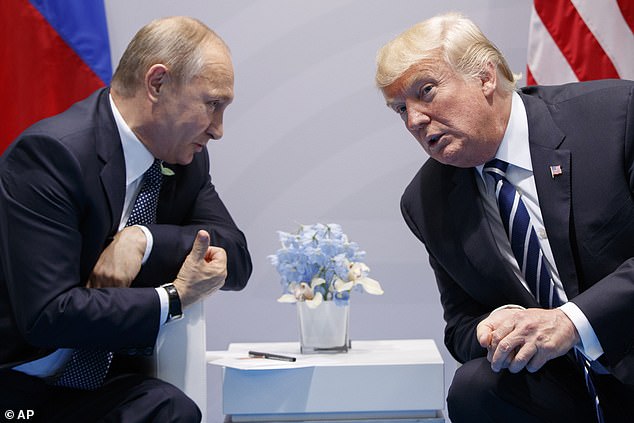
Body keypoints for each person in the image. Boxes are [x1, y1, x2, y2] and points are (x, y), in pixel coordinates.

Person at [375, 12, 634, 423]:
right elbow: (460, 325)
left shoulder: (613, 117)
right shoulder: (427, 200)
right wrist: (489, 329)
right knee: (475, 386)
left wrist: (570, 321)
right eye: (400, 108)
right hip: (562, 384)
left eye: (426, 91)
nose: (414, 120)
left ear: (485, 77)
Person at [0, 16, 252, 422]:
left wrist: (143, 240)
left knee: (173, 410)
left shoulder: (185, 159)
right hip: (18, 386)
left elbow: (236, 258)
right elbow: (47, 316)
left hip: (99, 384)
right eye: (212, 104)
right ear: (157, 84)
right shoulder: (51, 156)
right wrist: (171, 298)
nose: (218, 130)